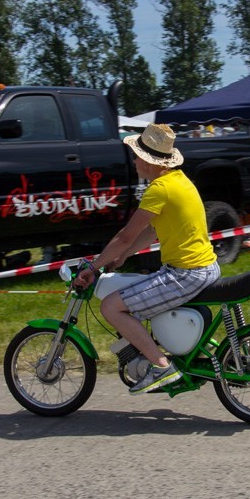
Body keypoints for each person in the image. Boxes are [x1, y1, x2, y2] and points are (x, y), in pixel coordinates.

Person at [73, 123, 220, 394]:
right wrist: (122, 257)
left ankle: (162, 367)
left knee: (111, 307)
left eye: (137, 156)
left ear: (151, 162)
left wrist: (93, 267)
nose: (134, 161)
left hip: (185, 274)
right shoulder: (179, 181)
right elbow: (151, 232)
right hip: (202, 268)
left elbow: (125, 236)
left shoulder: (159, 189)